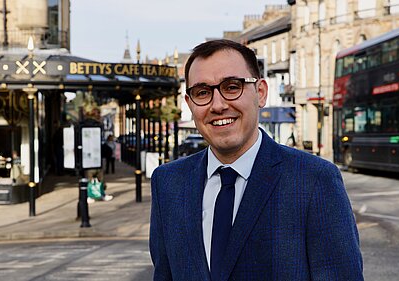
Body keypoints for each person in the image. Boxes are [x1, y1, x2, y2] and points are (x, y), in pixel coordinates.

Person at [149, 40, 363, 280]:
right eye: (202, 93)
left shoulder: (314, 180)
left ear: (260, 93)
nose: (218, 105)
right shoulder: (167, 183)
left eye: (232, 87)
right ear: (190, 104)